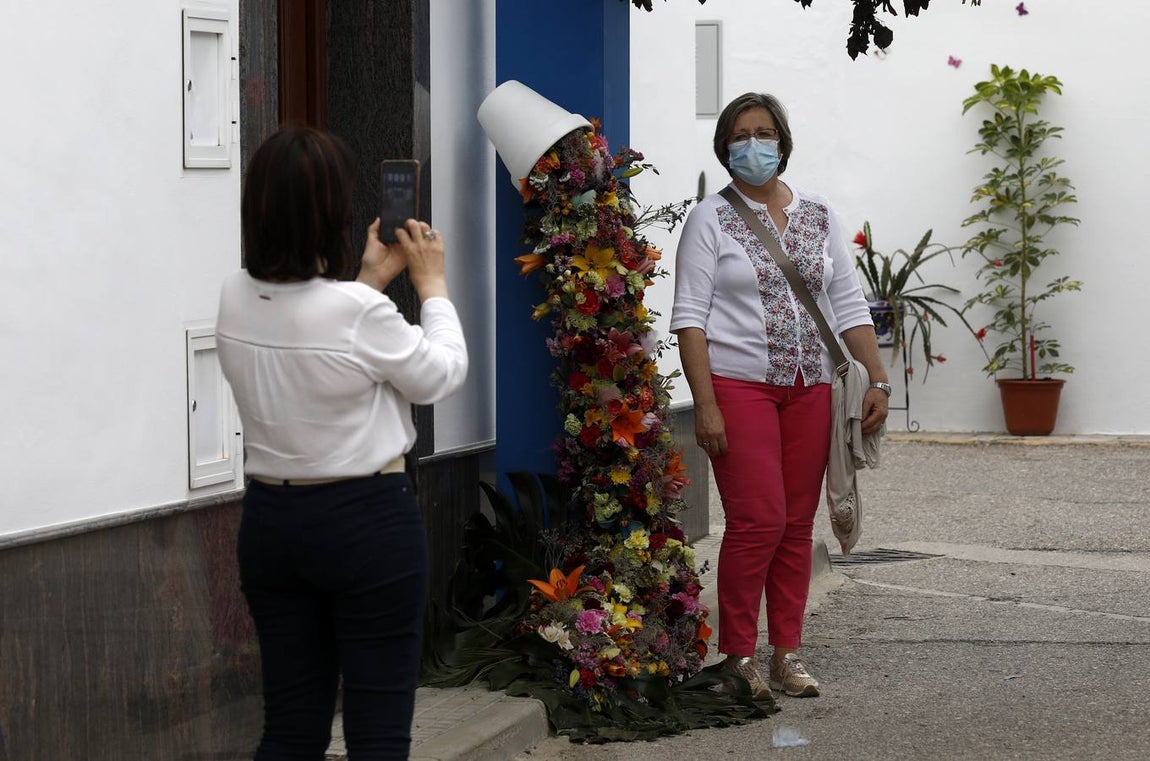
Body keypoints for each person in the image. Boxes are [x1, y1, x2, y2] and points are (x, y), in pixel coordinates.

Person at [217, 127, 468, 759]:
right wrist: (432, 285)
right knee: (377, 729)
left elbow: (319, 339)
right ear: (331, 213)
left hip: (272, 523)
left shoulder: (235, 297)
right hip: (366, 525)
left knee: (291, 726)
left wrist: (366, 282)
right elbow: (440, 373)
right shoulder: (358, 315)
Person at [670, 93, 888, 699]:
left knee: (796, 525)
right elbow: (689, 317)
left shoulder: (819, 214)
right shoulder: (709, 219)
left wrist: (879, 379)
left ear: (783, 143)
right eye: (741, 134)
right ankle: (738, 654)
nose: (754, 144)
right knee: (757, 520)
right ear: (725, 146)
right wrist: (705, 404)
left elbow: (848, 306)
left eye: (765, 132)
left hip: (812, 389)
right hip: (739, 388)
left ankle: (785, 655)